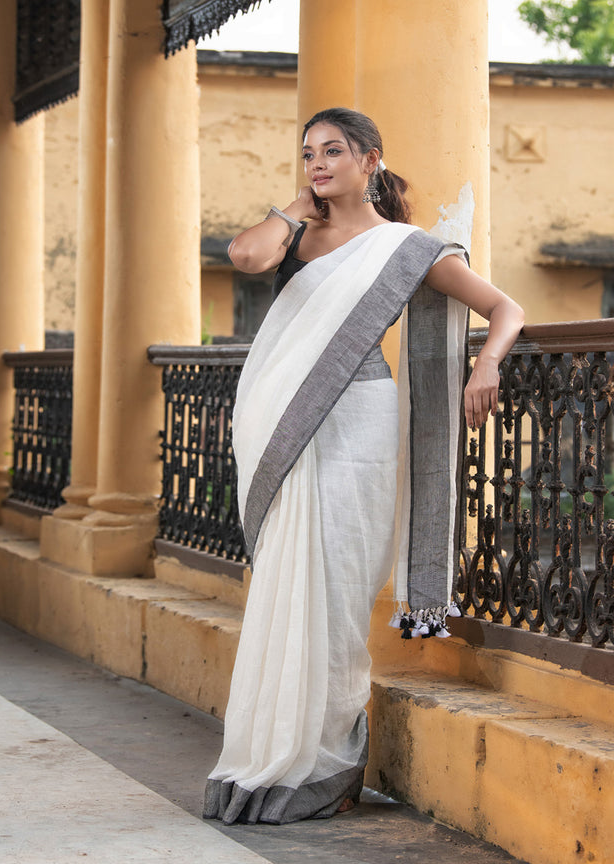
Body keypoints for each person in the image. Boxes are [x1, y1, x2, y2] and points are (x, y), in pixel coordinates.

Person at [203, 108, 524, 825]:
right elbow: (246, 258)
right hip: (289, 426)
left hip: (358, 428)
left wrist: (487, 365)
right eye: (309, 153)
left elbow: (506, 307)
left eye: (334, 151)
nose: (318, 164)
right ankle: (276, 757)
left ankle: (330, 761)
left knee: (339, 594)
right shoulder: (297, 237)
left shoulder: (407, 249)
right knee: (286, 585)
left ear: (370, 159)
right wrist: (293, 208)